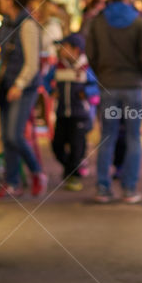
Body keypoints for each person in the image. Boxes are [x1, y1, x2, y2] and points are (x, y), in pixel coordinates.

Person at [86, 0, 142, 204]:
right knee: (133, 137)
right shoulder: (137, 20)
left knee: (106, 137)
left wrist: (101, 74)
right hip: (133, 87)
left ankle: (102, 188)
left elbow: (90, 53)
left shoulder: (99, 21)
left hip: (108, 85)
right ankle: (129, 189)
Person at [0, 0, 47, 199]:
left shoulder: (28, 25)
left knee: (15, 135)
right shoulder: (5, 24)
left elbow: (32, 63)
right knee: (6, 137)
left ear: (10, 0)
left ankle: (37, 172)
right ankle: (12, 182)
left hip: (23, 88)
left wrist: (19, 84)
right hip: (7, 85)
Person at [43, 33, 97, 192]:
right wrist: (51, 90)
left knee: (76, 147)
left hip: (80, 115)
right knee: (57, 145)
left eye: (64, 47)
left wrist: (86, 93)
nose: (60, 50)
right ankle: (72, 168)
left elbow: (96, 88)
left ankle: (74, 176)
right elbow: (45, 81)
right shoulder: (57, 67)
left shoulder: (86, 68)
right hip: (61, 114)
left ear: (76, 50)